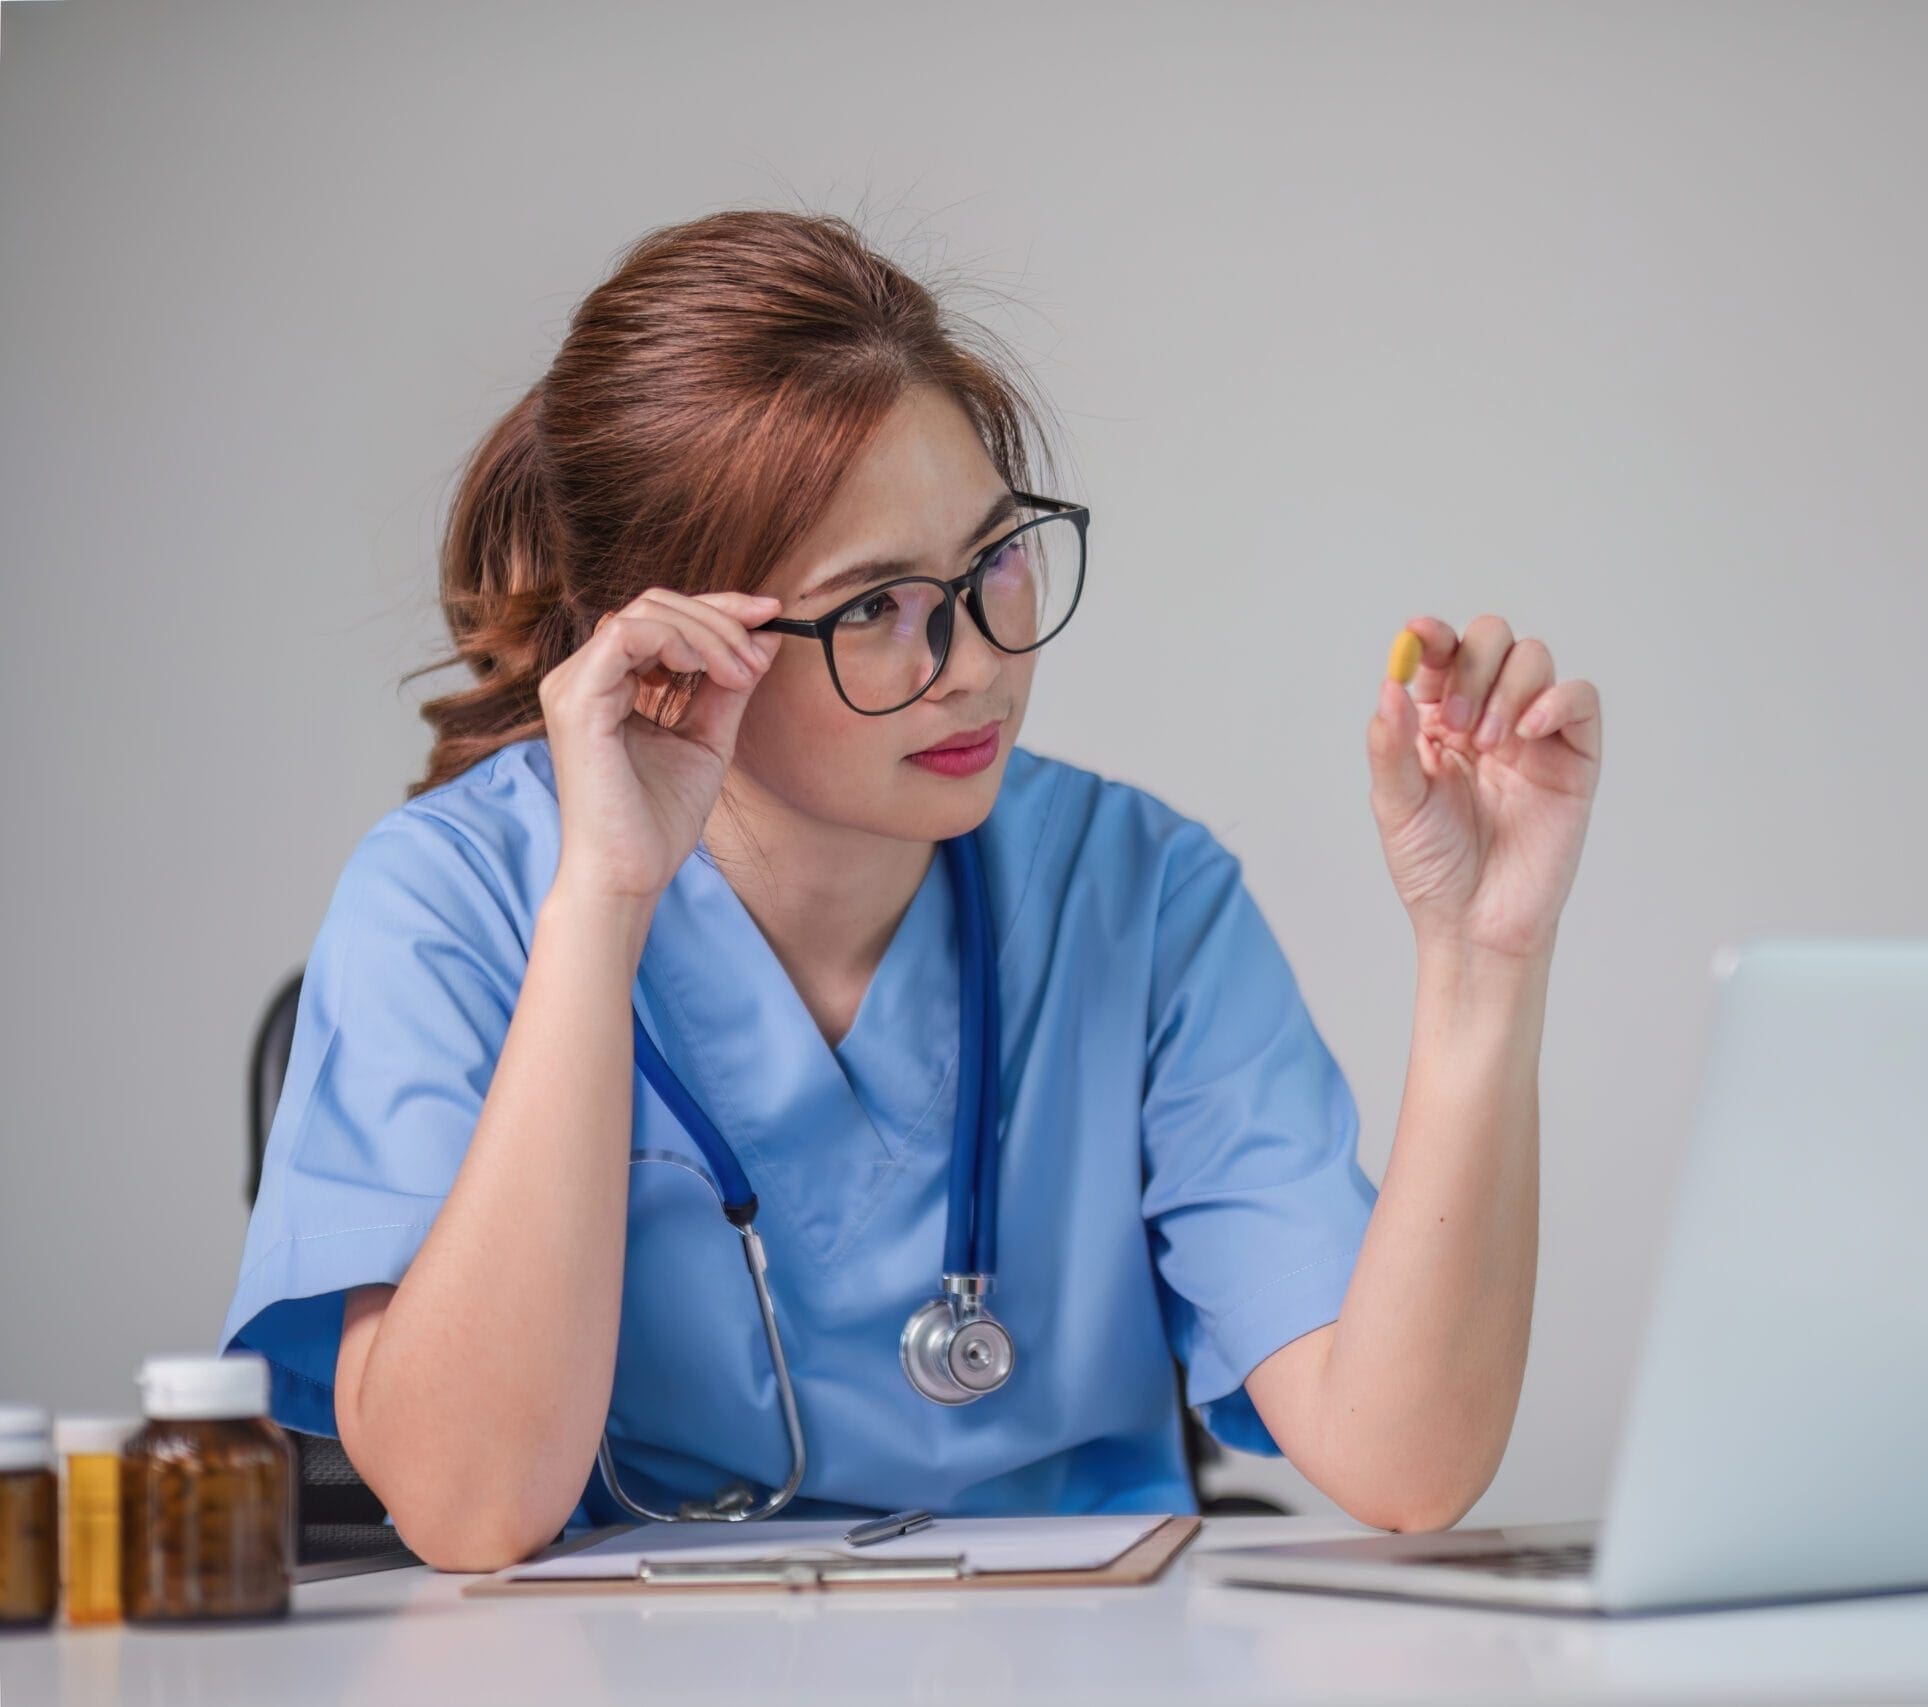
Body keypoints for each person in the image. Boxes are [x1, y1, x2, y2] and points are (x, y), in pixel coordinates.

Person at [219, 208, 1603, 1572]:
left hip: (1085, 1664)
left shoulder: (1136, 896)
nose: (977, 661)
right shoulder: (455, 901)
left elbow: (1406, 1462)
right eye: (874, 604)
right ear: (672, 645)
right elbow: (470, 1508)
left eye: (993, 561)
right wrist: (604, 900)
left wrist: (1485, 958)